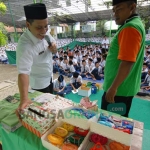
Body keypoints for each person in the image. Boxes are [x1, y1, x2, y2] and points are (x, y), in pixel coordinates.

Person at [101, 0, 145, 117]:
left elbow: (127, 62)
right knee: (117, 122)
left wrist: (113, 88)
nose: (115, 14)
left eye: (119, 9)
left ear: (132, 7)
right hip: (122, 88)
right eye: (114, 10)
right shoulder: (133, 24)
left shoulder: (130, 27)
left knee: (111, 122)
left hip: (118, 91)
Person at [16, 3, 57, 110]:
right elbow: (23, 72)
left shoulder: (45, 31)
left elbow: (53, 45)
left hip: (50, 77)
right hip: (39, 84)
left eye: (46, 26)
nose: (44, 31)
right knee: (43, 111)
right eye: (39, 28)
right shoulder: (25, 46)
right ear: (28, 25)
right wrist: (24, 99)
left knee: (51, 105)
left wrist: (54, 48)